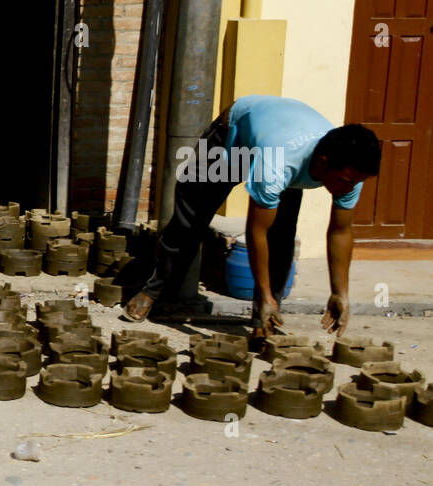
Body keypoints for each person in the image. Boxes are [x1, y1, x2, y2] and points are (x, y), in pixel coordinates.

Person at [123, 95, 382, 339]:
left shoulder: (351, 173)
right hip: (233, 140)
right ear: (324, 164)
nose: (350, 189)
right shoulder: (278, 165)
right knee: (191, 218)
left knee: (282, 237)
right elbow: (257, 232)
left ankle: (265, 316)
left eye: (357, 182)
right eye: (346, 182)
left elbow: (340, 231)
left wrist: (340, 292)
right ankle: (152, 290)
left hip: (281, 140)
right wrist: (264, 292)